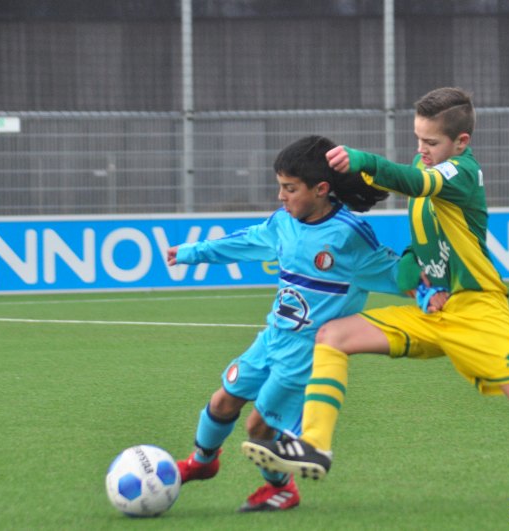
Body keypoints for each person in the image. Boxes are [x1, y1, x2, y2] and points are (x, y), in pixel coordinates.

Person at [242, 87, 509, 514]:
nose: (421, 151)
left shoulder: (460, 173)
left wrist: (366, 162)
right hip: (435, 312)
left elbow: (418, 182)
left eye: (431, 143)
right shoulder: (423, 165)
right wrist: (415, 271)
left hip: (479, 311)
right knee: (333, 334)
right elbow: (422, 242)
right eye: (418, 140)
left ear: (460, 142)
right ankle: (315, 446)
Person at [168, 135, 404, 512]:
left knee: (258, 429)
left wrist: (435, 292)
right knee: (223, 399)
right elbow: (245, 242)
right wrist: (192, 253)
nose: (281, 196)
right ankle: (202, 462)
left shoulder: (348, 236)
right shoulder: (283, 223)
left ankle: (282, 488)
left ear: (321, 189)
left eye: (290, 188)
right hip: (272, 338)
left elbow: (396, 274)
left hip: (306, 355)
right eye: (280, 186)